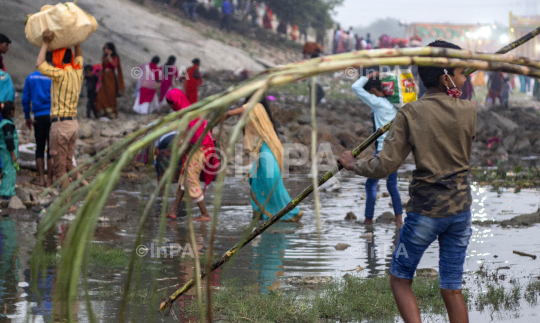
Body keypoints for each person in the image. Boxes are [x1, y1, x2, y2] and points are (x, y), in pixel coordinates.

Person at [338, 40, 474, 323]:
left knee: (400, 278)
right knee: (452, 287)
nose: (466, 78)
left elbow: (385, 164)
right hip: (461, 210)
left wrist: (353, 165)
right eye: (462, 72)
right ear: (445, 76)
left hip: (427, 211)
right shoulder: (468, 110)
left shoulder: (409, 114)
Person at [224, 96, 304, 222]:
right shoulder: (261, 110)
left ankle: (290, 213)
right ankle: (260, 213)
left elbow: (229, 113)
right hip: (268, 151)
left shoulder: (255, 106)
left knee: (272, 185)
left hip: (268, 153)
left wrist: (212, 124)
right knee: (255, 179)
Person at [36, 29, 84, 212]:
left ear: (57, 59)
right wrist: (76, 40)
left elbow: (39, 63)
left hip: (60, 125)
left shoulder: (59, 74)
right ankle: (85, 189)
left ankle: (69, 204)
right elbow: (78, 54)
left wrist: (46, 42)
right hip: (73, 124)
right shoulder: (78, 71)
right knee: (69, 163)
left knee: (59, 168)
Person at [351, 72, 403, 226]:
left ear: (372, 90)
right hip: (395, 150)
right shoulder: (392, 104)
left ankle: (368, 220)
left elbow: (356, 87)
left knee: (371, 185)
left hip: (382, 151)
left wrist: (369, 75)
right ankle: (399, 220)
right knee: (392, 185)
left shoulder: (378, 102)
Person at [165, 89, 218, 221]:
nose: (171, 108)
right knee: (184, 176)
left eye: (171, 105)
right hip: (198, 146)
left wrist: (184, 148)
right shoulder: (188, 112)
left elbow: (194, 137)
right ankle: (173, 210)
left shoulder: (188, 115)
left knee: (190, 177)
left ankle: (205, 213)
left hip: (202, 148)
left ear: (175, 102)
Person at [22, 57, 54, 187]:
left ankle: (41, 179)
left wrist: (26, 116)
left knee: (39, 148)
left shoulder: (31, 77)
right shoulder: (54, 76)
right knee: (51, 149)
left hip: (38, 116)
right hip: (52, 116)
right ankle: (50, 181)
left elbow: (25, 99)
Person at [95, 42, 124, 119]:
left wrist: (109, 57)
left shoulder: (114, 57)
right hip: (104, 78)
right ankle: (102, 112)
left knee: (110, 95)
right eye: (104, 48)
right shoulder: (104, 57)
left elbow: (114, 65)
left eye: (106, 48)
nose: (105, 50)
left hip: (111, 78)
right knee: (100, 95)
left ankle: (112, 113)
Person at [0, 102, 18, 200]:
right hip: (8, 154)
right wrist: (13, 155)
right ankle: (5, 193)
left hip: (5, 153)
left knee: (10, 172)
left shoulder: (4, 123)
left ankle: (10, 191)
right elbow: (9, 140)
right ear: (11, 112)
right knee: (8, 173)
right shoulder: (7, 125)